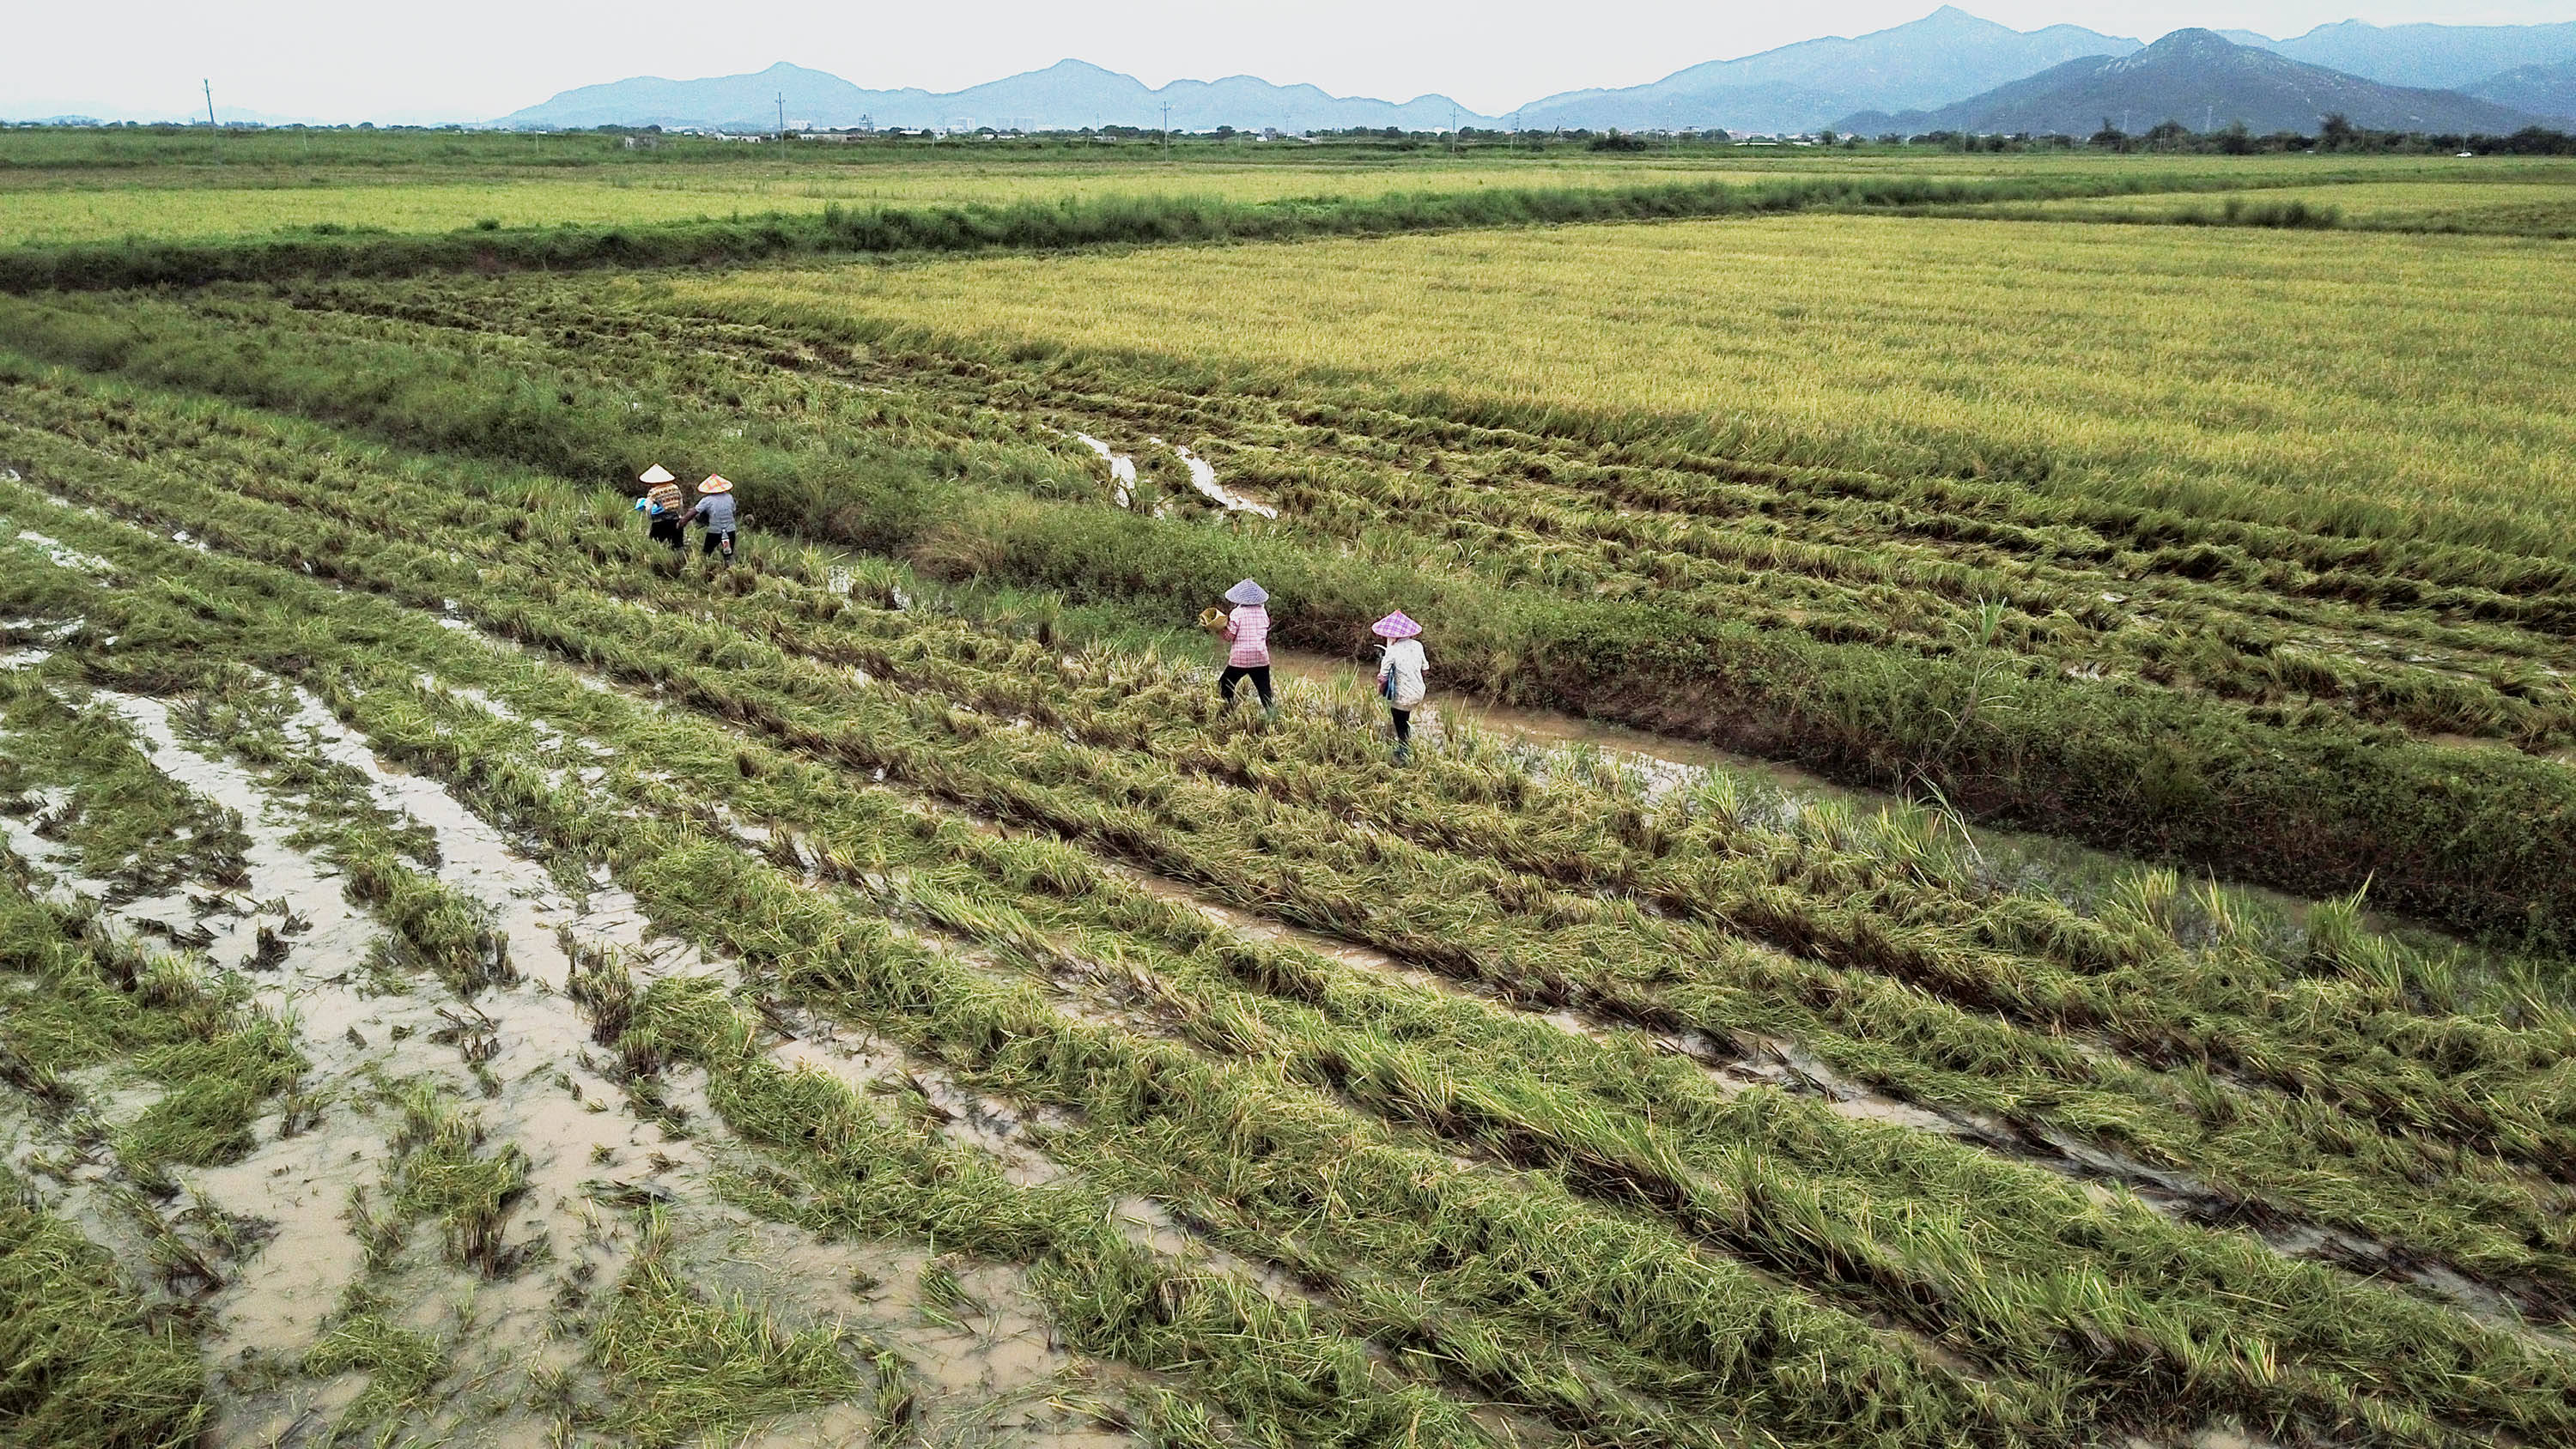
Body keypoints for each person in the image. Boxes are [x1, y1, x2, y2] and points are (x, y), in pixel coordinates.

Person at [1372, 611, 1427, 763]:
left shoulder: (1392, 651)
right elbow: (1425, 669)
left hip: (1403, 696)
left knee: (1399, 719)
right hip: (1419, 691)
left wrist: (1380, 689)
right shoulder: (1418, 646)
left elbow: (1382, 678)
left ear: (1392, 636)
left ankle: (1404, 750)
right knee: (1405, 715)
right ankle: (1406, 743)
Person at [1216, 579, 1274, 716]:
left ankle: (1228, 712)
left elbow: (1229, 636)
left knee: (1225, 684)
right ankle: (1273, 717)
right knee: (1265, 691)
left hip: (1240, 659)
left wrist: (1219, 629)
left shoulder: (1237, 613)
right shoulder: (1263, 612)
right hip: (1260, 657)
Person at [633, 464, 687, 552]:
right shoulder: (675, 488)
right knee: (678, 546)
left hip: (661, 521)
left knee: (654, 545)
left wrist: (650, 517)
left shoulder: (654, 492)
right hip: (675, 519)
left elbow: (648, 508)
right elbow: (680, 503)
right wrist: (680, 515)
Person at [689, 474, 737, 564]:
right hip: (730, 530)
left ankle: (705, 569)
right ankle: (731, 570)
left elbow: (694, 511)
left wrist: (682, 522)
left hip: (715, 531)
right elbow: (733, 512)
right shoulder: (729, 497)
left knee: (707, 553)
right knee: (729, 555)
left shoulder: (707, 500)